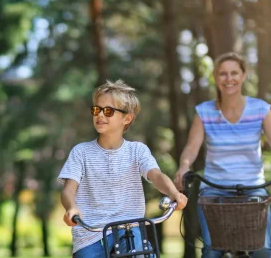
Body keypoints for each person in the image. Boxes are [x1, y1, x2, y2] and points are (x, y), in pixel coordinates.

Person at [58, 79, 187, 258]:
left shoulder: (137, 150)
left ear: (127, 118)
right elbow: (68, 191)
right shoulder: (81, 152)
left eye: (108, 111)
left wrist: (174, 193)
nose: (100, 115)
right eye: (97, 109)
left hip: (129, 230)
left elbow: (156, 175)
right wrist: (71, 208)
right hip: (90, 234)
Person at [174, 52, 271, 257]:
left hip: (253, 188)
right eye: (223, 74)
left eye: (234, 73)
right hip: (215, 189)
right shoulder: (204, 112)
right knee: (212, 251)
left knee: (263, 250)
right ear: (216, 78)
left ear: (244, 75)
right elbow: (192, 148)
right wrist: (184, 166)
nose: (229, 79)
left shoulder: (261, 109)